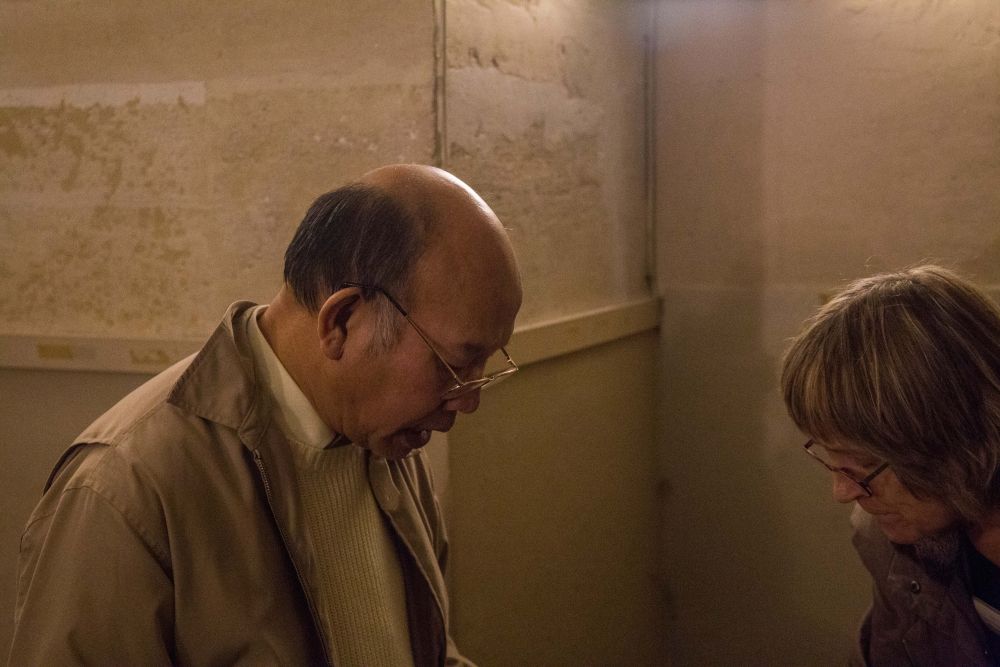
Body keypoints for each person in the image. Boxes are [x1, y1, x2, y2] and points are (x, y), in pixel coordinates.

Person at [9, 164, 522, 666]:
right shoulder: (125, 489)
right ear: (341, 322)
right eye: (454, 364)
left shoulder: (389, 440)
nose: (468, 399)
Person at [781, 264, 1000, 666]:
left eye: (865, 461)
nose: (843, 492)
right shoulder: (893, 540)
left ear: (963, 433)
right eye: (830, 456)